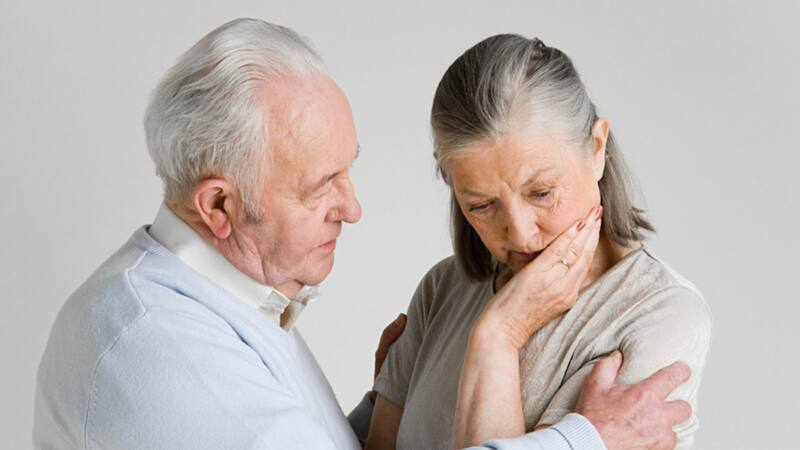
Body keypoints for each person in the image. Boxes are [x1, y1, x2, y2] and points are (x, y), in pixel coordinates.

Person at [33, 19, 693, 450]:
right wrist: (585, 439)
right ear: (219, 207)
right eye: (322, 185)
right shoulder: (164, 355)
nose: (352, 209)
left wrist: (390, 402)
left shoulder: (220, 310)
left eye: (349, 171)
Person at [367, 35, 712, 449]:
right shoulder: (441, 291)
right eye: (481, 205)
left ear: (597, 149)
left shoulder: (660, 313)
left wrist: (499, 335)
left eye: (542, 193)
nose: (520, 234)